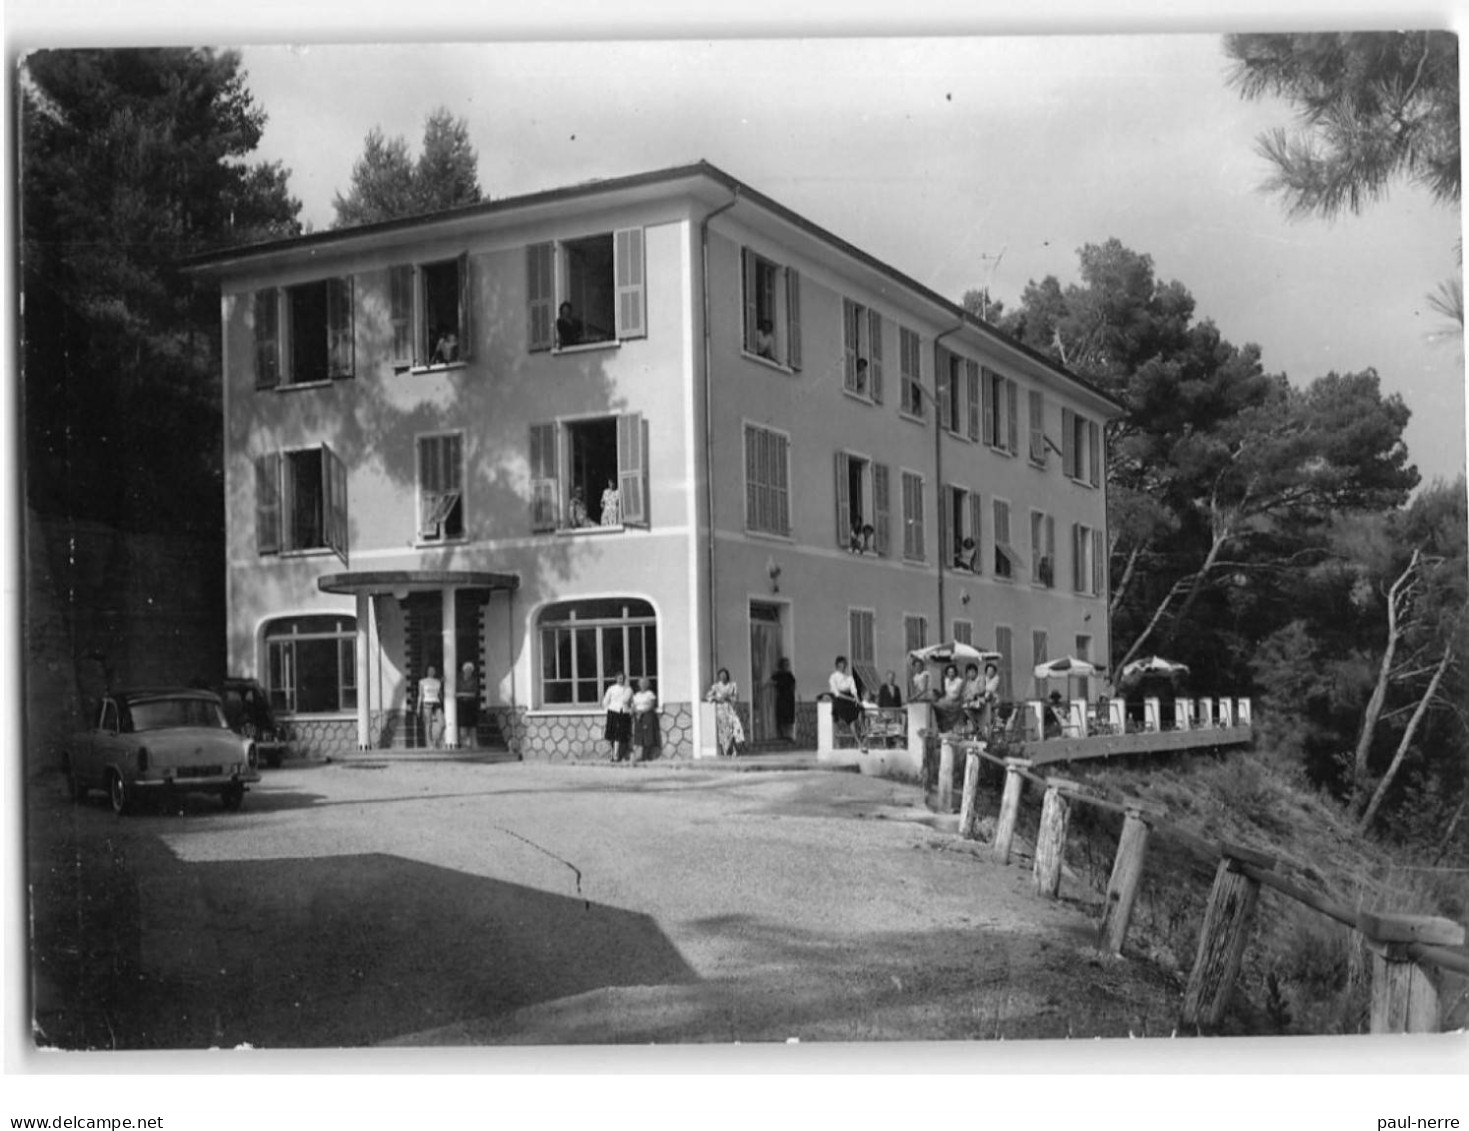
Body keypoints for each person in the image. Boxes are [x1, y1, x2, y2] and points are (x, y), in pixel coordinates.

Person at [828, 655, 866, 752]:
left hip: (850, 698)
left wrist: (857, 700)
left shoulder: (849, 678)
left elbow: (854, 691)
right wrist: (850, 699)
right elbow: (836, 693)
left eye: (845, 664)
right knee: (850, 721)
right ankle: (857, 743)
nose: (844, 666)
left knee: (861, 710)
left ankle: (863, 732)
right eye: (842, 664)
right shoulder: (833, 677)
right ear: (838, 665)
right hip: (840, 700)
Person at [706, 668, 744, 757]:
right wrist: (715, 699)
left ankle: (736, 748)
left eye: (724, 675)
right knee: (725, 731)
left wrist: (729, 698)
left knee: (736, 726)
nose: (723, 676)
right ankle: (727, 751)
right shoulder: (716, 686)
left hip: (730, 709)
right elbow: (708, 696)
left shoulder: (732, 685)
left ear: (727, 675)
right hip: (721, 710)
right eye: (721, 675)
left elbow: (736, 697)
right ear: (719, 676)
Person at [602, 671, 634, 761]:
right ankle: (612, 754)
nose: (621, 680)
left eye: (622, 678)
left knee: (619, 735)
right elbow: (605, 701)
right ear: (616, 679)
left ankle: (616, 755)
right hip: (613, 712)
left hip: (623, 713)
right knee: (612, 734)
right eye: (619, 678)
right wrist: (608, 710)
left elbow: (632, 702)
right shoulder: (611, 689)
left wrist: (631, 710)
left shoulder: (629, 690)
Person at [631, 677, 660, 762]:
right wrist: (637, 712)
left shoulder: (650, 694)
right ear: (639, 685)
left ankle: (646, 756)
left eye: (644, 684)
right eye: (641, 683)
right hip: (638, 716)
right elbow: (633, 706)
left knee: (648, 735)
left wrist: (642, 712)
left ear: (647, 685)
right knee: (640, 736)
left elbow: (651, 706)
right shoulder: (636, 695)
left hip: (647, 715)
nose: (643, 685)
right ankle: (641, 756)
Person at [418, 666, 444, 749]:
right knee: (428, 724)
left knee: (442, 724)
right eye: (430, 670)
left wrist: (444, 702)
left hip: (436, 702)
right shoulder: (422, 682)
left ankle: (437, 740)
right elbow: (421, 695)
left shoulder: (438, 682)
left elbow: (440, 694)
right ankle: (429, 743)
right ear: (427, 671)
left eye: (433, 670)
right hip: (427, 702)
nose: (431, 672)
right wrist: (418, 707)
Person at [771, 658, 797, 742]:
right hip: (782, 698)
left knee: (789, 717)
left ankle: (789, 736)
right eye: (785, 664)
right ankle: (782, 735)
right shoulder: (777, 675)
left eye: (787, 664)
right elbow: (771, 681)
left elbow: (793, 685)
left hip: (789, 698)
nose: (787, 666)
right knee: (781, 717)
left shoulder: (789, 675)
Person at [456, 661, 479, 749]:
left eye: (470, 670)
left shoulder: (473, 681)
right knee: (463, 724)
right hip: (462, 704)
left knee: (472, 725)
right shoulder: (459, 681)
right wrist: (462, 694)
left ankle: (473, 744)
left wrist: (461, 694)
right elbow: (456, 692)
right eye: (466, 670)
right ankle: (464, 744)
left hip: (471, 704)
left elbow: (473, 694)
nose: (468, 671)